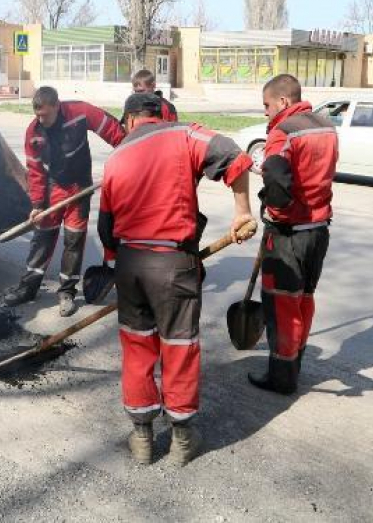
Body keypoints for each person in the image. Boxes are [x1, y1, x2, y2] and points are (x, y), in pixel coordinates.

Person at [98, 93, 253, 466]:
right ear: (158, 115)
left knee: (138, 348)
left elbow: (106, 228)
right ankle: (183, 440)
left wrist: (124, 264)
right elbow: (234, 156)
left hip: (131, 264)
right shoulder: (184, 135)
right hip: (173, 264)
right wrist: (243, 211)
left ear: (130, 120)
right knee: (179, 348)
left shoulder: (116, 157)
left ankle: (142, 439)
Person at [249, 74, 338, 394]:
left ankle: (282, 377)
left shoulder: (282, 132)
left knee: (282, 305)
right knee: (304, 300)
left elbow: (274, 175)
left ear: (283, 102)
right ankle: (295, 362)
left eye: (267, 105)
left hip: (289, 235)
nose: (265, 112)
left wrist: (276, 210)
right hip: (318, 231)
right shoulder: (325, 126)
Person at [2, 86, 125, 317]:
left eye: (45, 115)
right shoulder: (34, 133)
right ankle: (28, 288)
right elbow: (35, 172)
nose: (41, 119)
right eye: (37, 115)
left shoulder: (80, 112)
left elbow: (111, 129)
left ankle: (67, 291)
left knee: (74, 240)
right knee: (42, 238)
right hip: (52, 189)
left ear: (58, 106)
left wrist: (129, 149)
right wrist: (38, 204)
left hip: (80, 187)